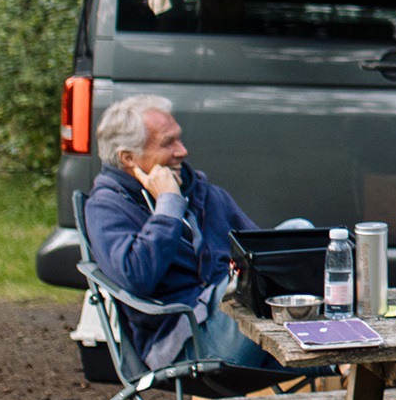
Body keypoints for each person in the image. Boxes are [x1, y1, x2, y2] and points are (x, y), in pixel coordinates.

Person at [78, 94, 282, 378]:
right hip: (188, 345)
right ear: (129, 158)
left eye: (179, 139)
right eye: (167, 143)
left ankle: (337, 353)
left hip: (234, 323)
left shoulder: (202, 192)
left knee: (297, 233)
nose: (182, 150)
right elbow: (136, 277)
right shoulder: (106, 207)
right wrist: (169, 205)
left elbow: (267, 254)